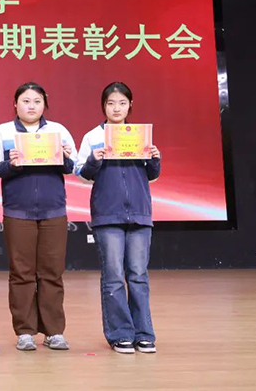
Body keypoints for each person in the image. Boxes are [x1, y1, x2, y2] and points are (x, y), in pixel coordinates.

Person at [0, 82, 77, 352]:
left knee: (52, 272)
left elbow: (72, 167)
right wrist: (10, 164)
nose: (31, 106)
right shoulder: (3, 132)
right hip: (17, 211)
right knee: (21, 273)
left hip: (54, 211)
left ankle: (54, 331)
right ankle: (24, 331)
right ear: (15, 104)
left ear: (44, 104)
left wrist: (65, 157)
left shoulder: (57, 131)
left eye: (37, 101)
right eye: (25, 101)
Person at [74, 81, 161, 354]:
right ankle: (120, 334)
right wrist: (94, 160)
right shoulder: (92, 137)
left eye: (122, 103)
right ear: (103, 106)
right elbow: (82, 173)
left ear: (130, 105)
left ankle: (144, 333)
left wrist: (154, 158)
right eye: (111, 103)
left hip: (139, 213)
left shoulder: (139, 135)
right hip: (107, 214)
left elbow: (151, 175)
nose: (116, 108)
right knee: (113, 276)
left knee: (138, 275)